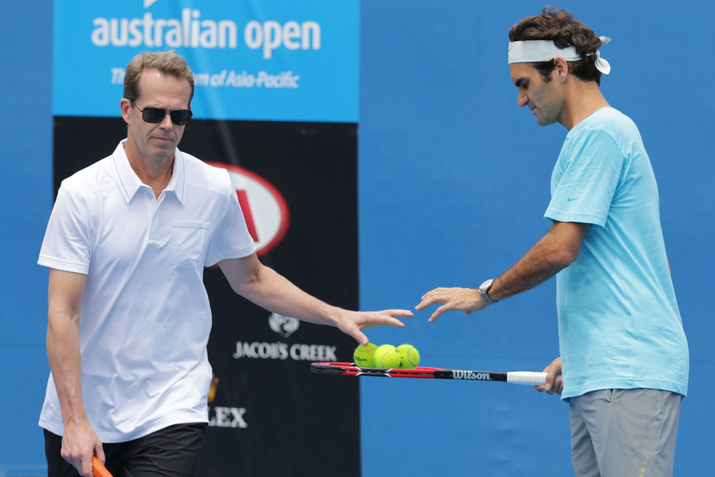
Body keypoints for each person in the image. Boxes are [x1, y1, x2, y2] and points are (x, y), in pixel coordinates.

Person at [38, 50, 413, 477]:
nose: (166, 126)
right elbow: (62, 314)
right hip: (83, 409)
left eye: (179, 117)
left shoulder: (213, 187)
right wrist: (74, 420)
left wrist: (335, 314)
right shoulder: (81, 194)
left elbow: (252, 278)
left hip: (171, 405)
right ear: (126, 110)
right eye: (154, 112)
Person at [415, 8, 688, 477]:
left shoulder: (602, 132)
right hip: (607, 367)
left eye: (524, 84)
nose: (521, 100)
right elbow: (624, 260)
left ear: (560, 69)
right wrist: (584, 355)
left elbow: (562, 247)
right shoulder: (594, 136)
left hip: (628, 369)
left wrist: (484, 293)